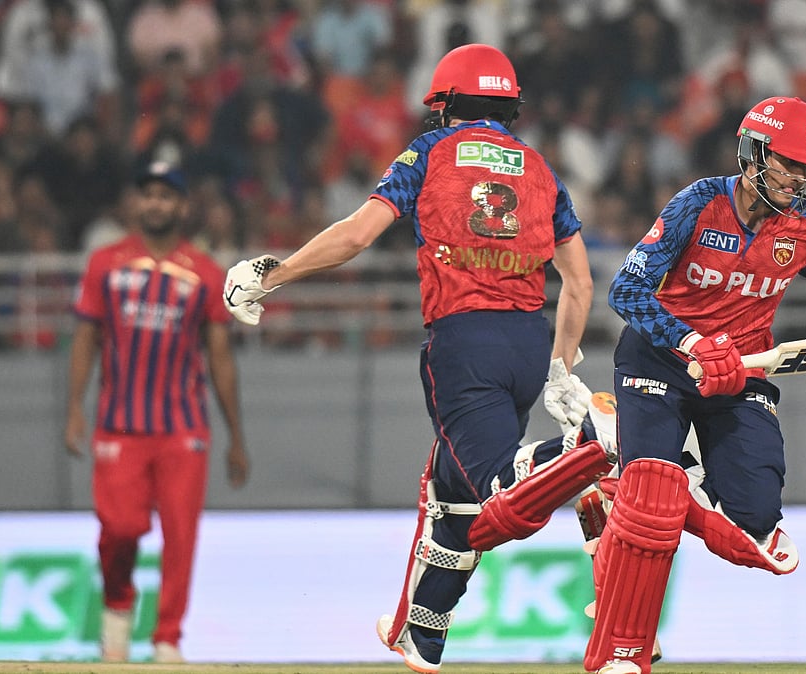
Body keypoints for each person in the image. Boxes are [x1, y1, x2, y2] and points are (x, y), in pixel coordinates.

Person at [223, 43, 610, 673]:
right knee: (450, 490)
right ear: (509, 106)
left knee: (495, 490)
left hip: (465, 340)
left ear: (448, 102)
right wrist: (561, 367)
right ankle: (423, 634)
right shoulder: (541, 169)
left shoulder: (430, 152)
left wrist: (276, 274)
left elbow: (357, 234)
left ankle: (590, 447)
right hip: (528, 343)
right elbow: (580, 283)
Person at [584, 96, 806, 674]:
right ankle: (625, 646)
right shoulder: (697, 204)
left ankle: (646, 468)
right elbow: (625, 293)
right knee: (650, 504)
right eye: (790, 165)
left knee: (758, 524)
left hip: (742, 370)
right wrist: (692, 343)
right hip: (661, 363)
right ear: (753, 155)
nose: (802, 179)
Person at [64, 161, 250, 664]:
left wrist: (236, 436)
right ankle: (117, 608)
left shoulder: (205, 273)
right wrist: (74, 411)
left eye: (166, 196)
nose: (156, 204)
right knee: (120, 527)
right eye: (148, 194)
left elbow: (220, 358)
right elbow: (85, 338)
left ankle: (168, 636)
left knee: (181, 537)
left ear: (182, 207)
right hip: (119, 423)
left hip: (182, 428)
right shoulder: (105, 263)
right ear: (136, 203)